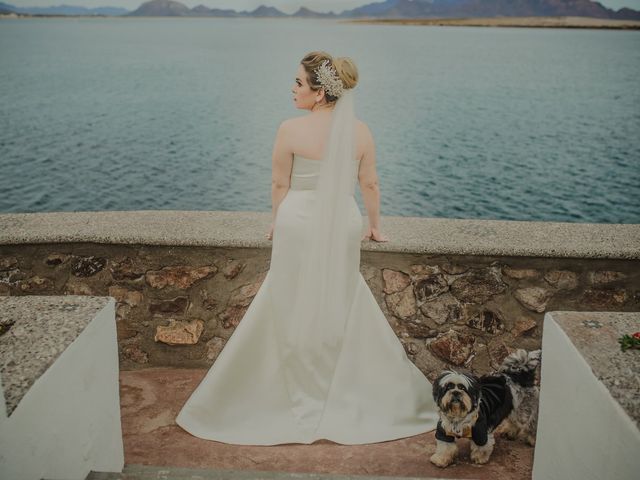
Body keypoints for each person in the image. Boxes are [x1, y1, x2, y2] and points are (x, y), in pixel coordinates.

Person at [175, 51, 439, 446]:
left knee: (286, 300)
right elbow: (370, 184)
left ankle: (280, 391)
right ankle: (347, 391)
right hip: (342, 222)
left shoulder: (289, 130)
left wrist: (276, 221)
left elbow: (280, 184)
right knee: (339, 297)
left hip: (297, 222)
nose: (292, 88)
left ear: (319, 93)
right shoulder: (362, 131)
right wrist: (376, 228)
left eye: (299, 83)